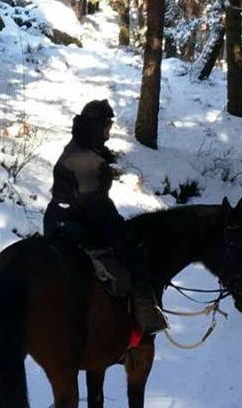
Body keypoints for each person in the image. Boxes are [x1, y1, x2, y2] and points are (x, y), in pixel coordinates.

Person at [43, 99, 167, 334]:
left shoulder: (80, 148)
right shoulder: (86, 159)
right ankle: (146, 315)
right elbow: (95, 205)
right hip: (75, 224)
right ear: (95, 126)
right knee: (134, 253)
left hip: (59, 219)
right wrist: (123, 232)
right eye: (106, 126)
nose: (109, 131)